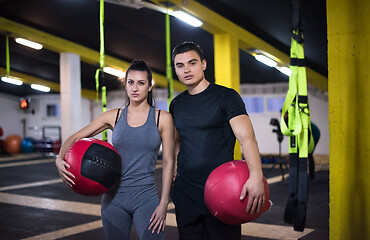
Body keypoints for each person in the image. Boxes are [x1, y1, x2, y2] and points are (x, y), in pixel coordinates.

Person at [55, 59, 175, 240]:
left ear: (149, 86)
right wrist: (59, 158)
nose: (135, 88)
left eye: (141, 83)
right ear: (125, 85)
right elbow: (74, 138)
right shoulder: (114, 116)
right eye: (131, 82)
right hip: (113, 199)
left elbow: (168, 161)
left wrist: (164, 202)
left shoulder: (162, 119)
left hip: (146, 197)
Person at [169, 41, 265, 240]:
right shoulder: (176, 104)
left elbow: (247, 138)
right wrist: (175, 169)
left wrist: (256, 176)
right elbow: (178, 140)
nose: (186, 69)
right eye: (180, 65)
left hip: (222, 190)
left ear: (203, 64)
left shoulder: (226, 97)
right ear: (175, 70)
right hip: (186, 191)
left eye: (192, 63)